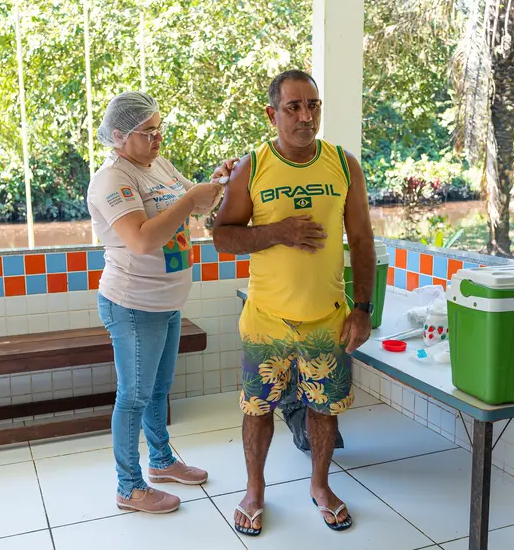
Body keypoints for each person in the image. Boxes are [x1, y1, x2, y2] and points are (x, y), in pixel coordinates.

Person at [212, 70, 377, 535]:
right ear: (272, 113)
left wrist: (362, 308)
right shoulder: (254, 165)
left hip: (327, 318)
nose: (306, 116)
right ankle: (254, 489)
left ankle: (320, 486)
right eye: (293, 107)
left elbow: (362, 240)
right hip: (266, 319)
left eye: (313, 105)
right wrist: (279, 232)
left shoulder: (343, 165)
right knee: (257, 409)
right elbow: (223, 237)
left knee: (324, 408)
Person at [87, 91, 234, 514]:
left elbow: (198, 199)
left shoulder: (157, 166)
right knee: (134, 396)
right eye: (147, 132)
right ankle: (129, 487)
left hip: (167, 301)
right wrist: (190, 201)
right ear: (119, 136)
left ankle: (162, 462)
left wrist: (219, 181)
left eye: (159, 130)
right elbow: (142, 238)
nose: (158, 139)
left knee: (158, 391)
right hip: (134, 304)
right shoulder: (112, 179)